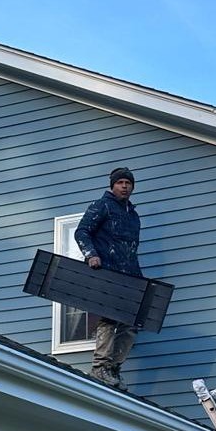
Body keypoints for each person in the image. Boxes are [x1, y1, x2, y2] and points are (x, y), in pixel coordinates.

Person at [73, 166, 142, 388]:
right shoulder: (102, 205)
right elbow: (81, 231)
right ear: (112, 185)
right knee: (107, 318)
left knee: (131, 324)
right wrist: (91, 254)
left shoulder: (133, 215)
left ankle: (113, 368)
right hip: (107, 271)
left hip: (129, 275)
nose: (124, 186)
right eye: (120, 182)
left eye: (128, 183)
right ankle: (100, 367)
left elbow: (131, 250)